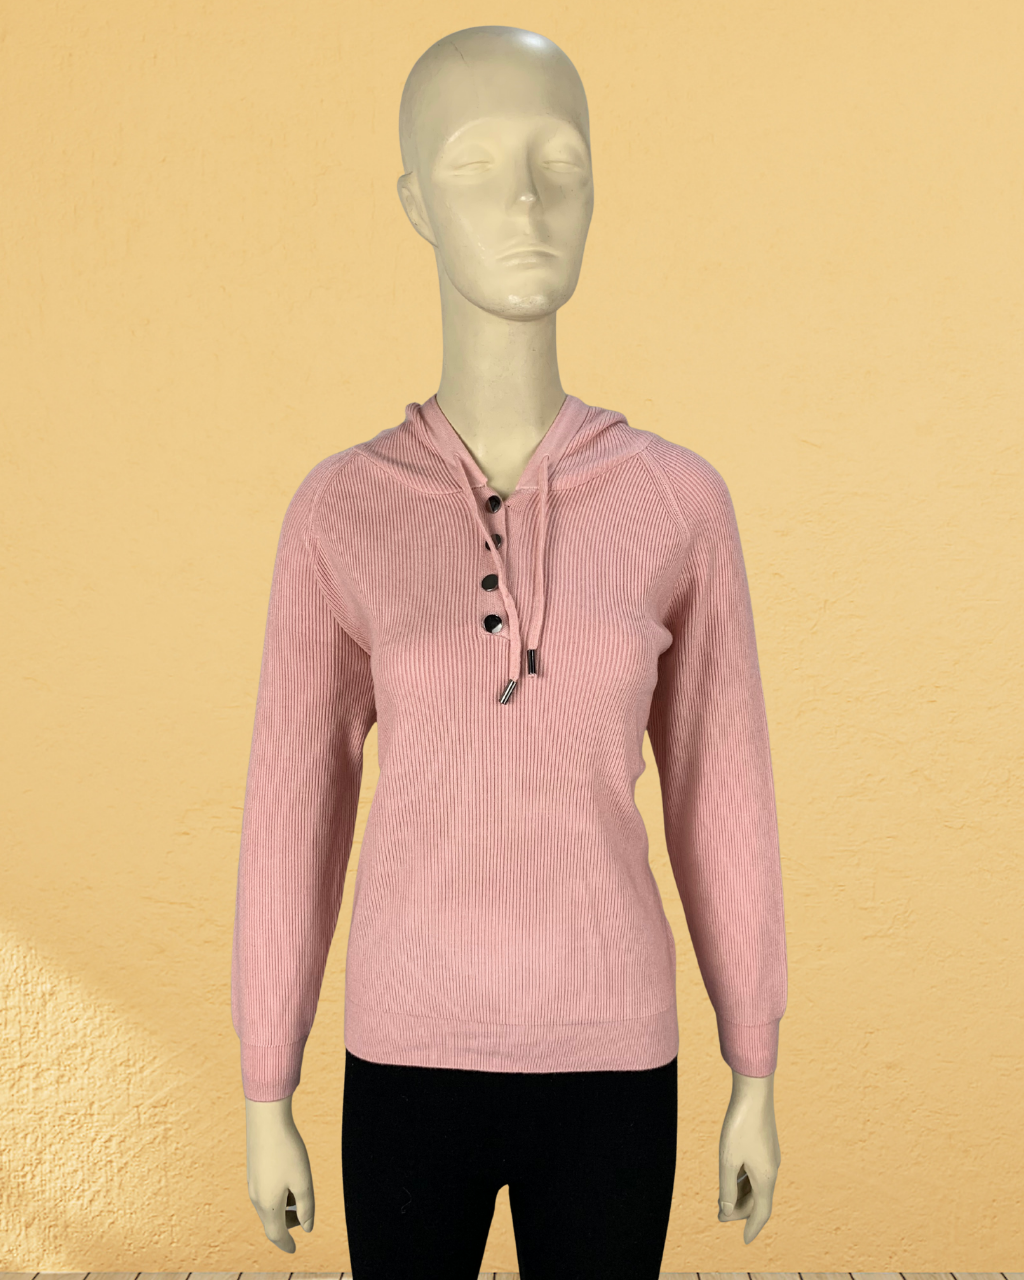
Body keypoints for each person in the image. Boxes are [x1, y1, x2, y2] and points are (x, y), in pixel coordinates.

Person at [232, 25, 787, 1278]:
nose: (527, 200)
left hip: (613, 1057)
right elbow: (291, 809)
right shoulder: (341, 510)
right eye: (477, 165)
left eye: (560, 163)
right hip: (405, 1053)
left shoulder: (676, 502)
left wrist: (752, 1060)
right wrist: (267, 1082)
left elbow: (723, 796)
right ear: (414, 204)